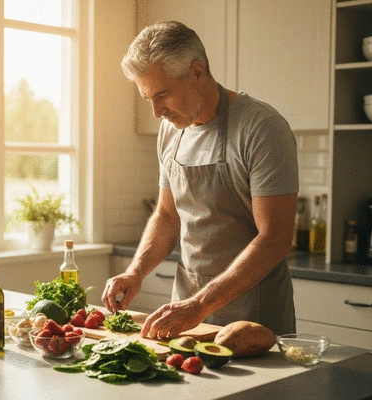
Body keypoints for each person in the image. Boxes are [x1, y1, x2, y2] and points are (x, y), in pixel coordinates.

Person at [102, 20, 299, 339]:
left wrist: (200, 305)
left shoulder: (261, 129)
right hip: (185, 316)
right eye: (148, 98)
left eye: (162, 94)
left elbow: (275, 238)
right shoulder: (170, 131)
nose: (156, 112)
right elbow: (167, 215)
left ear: (197, 72)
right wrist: (135, 272)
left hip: (252, 320)